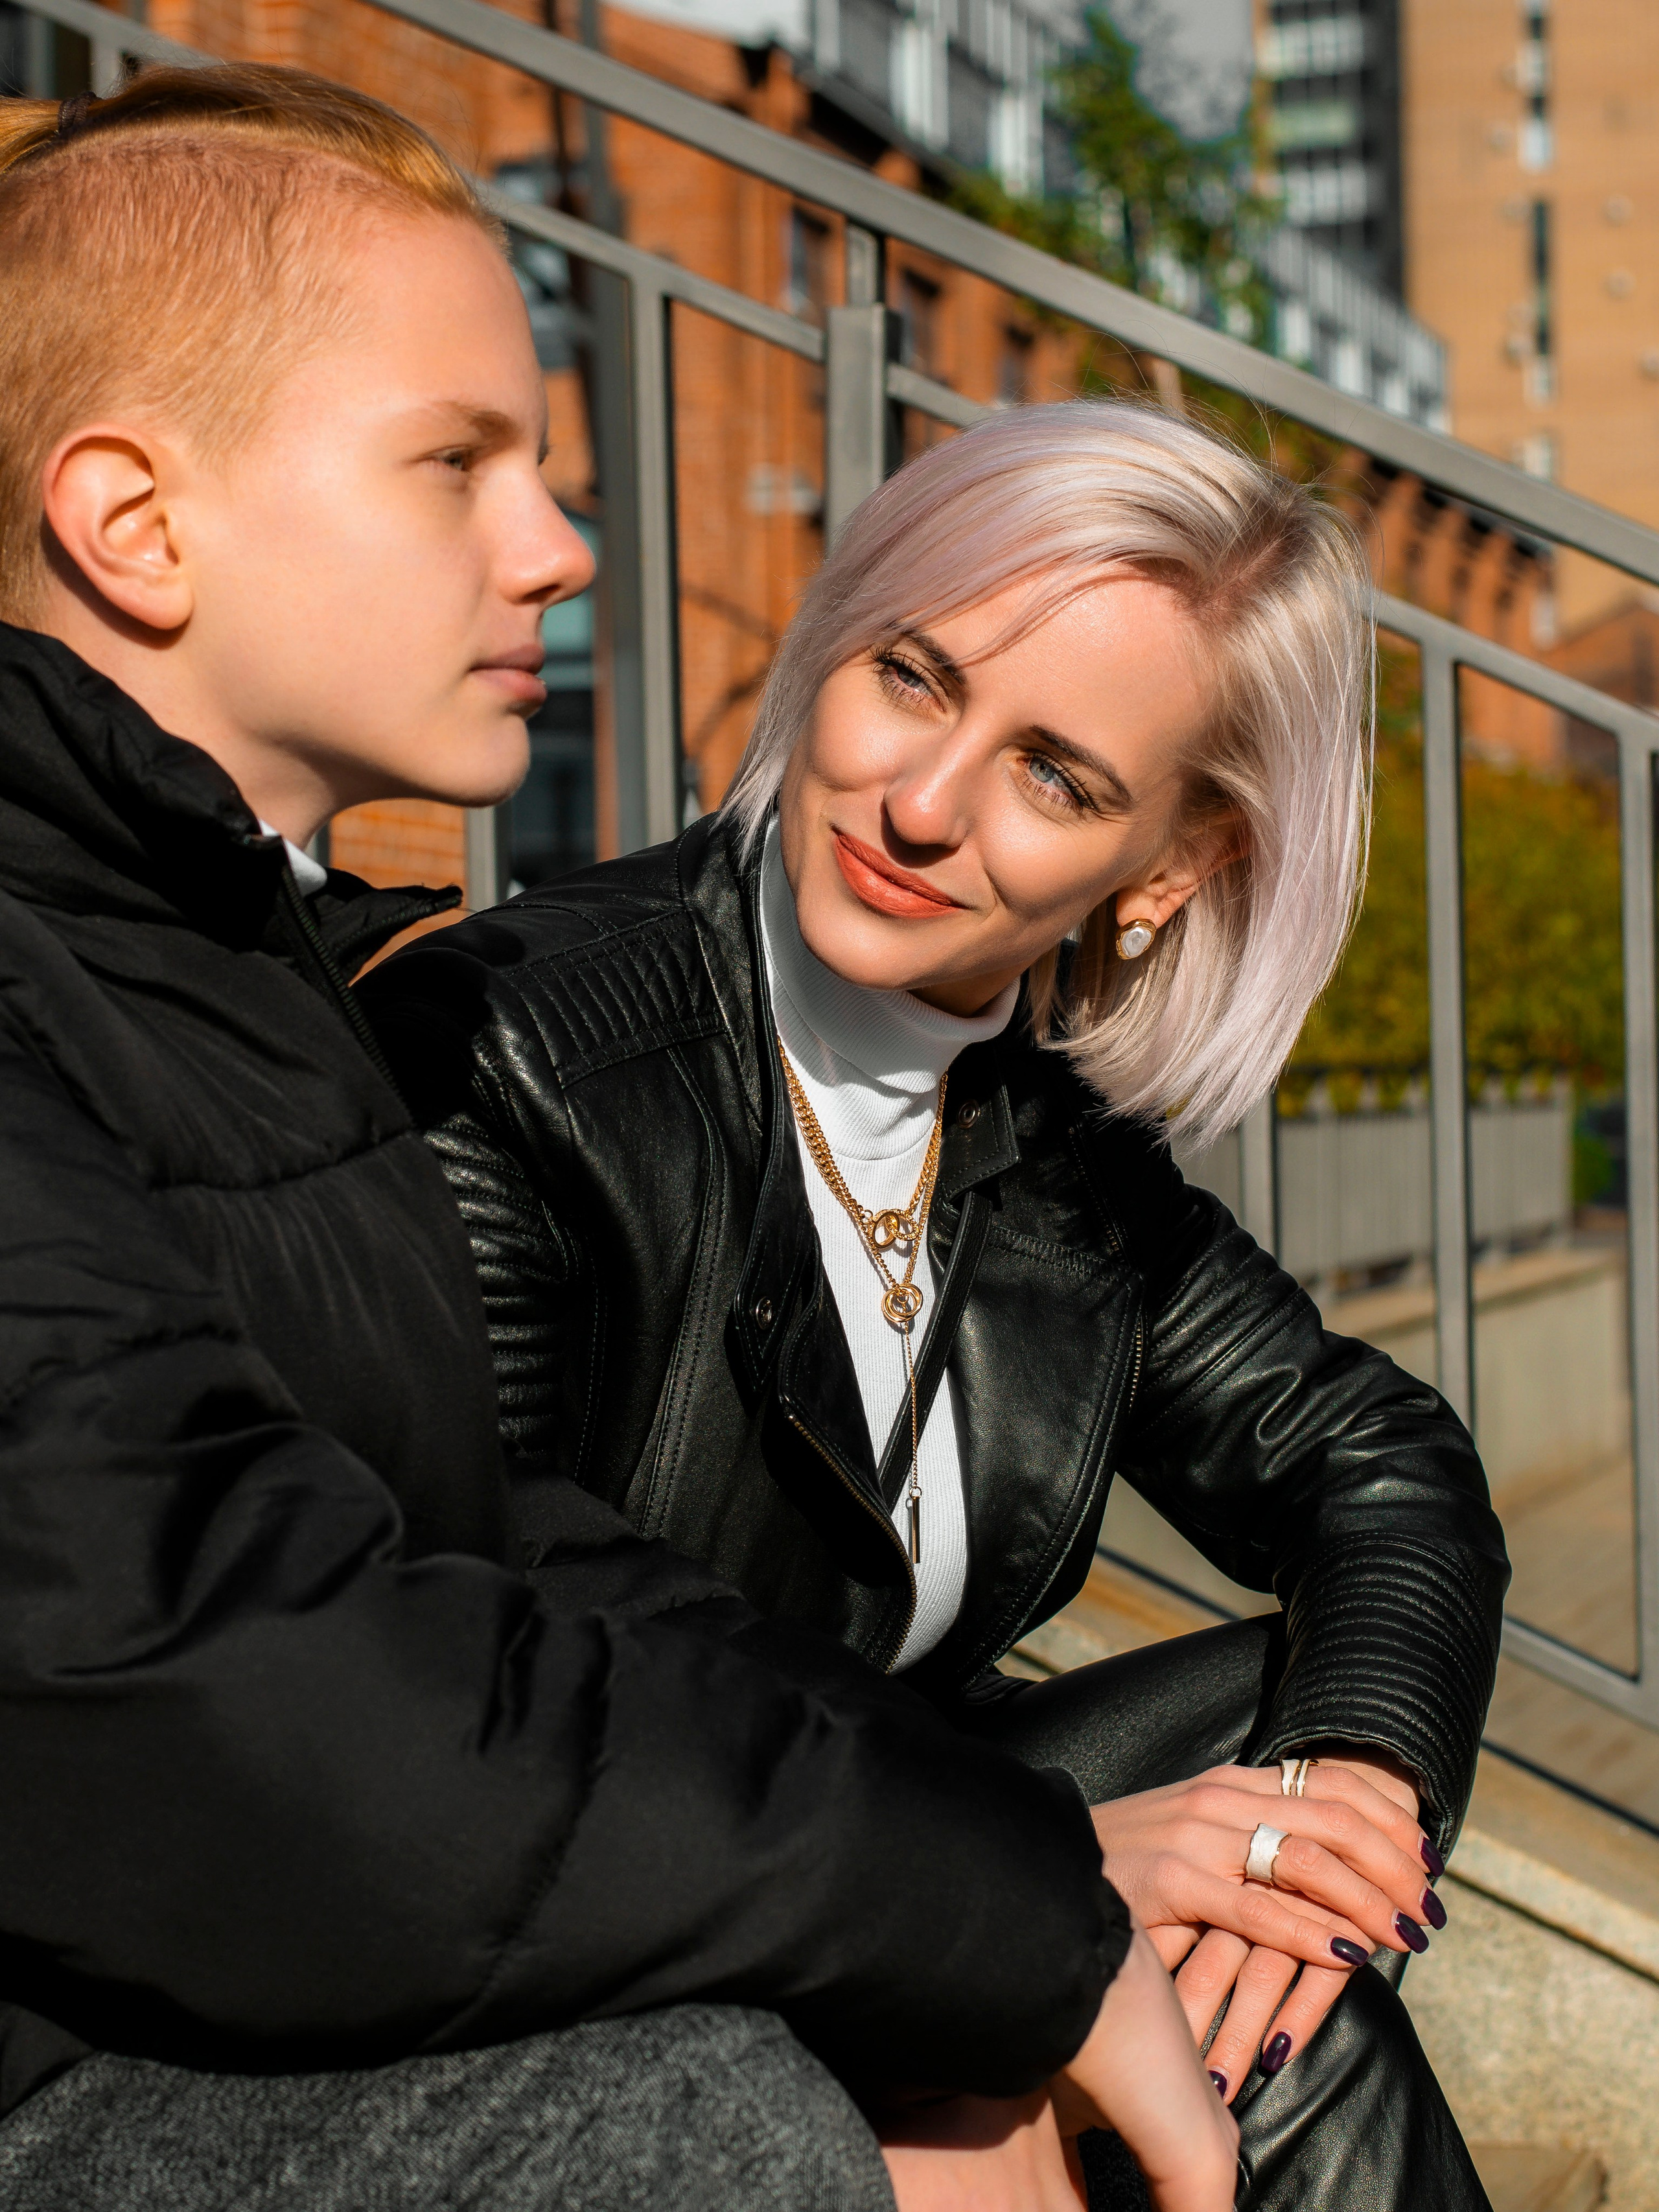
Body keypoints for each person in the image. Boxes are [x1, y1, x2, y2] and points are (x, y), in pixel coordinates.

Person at [0, 64, 1243, 2212]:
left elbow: (470, 1542)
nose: (559, 546)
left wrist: (1004, 1891)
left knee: (1199, 1994)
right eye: (461, 462)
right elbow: (231, 1686)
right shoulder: (357, 996)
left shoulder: (232, 953)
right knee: (710, 2129)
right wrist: (979, 1930)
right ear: (138, 522)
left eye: (549, 466)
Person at [364, 399, 1513, 2211]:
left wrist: (1353, 1779)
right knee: (1256, 2026)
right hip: (596, 1939)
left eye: (1055, 776)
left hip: (866, 1878)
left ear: (1169, 872)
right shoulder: (522, 1057)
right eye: (913, 676)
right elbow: (483, 1660)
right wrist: (1022, 1873)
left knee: (1273, 1963)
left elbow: (1373, 1459)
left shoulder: (1052, 1158)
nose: (921, 803)